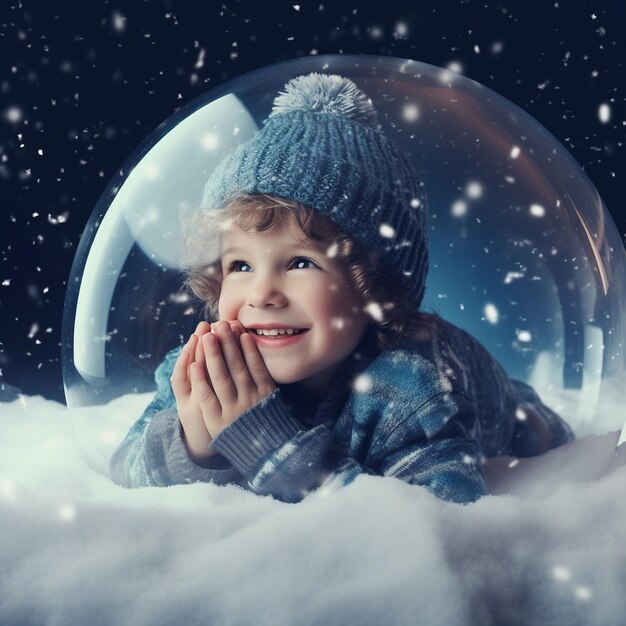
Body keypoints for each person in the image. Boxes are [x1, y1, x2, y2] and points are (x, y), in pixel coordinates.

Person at [110, 73, 574, 503]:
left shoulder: (410, 385)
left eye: (300, 262)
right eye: (241, 265)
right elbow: (125, 465)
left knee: (533, 428)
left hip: (486, 396)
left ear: (375, 290)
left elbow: (443, 512)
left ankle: (528, 408)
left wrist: (274, 451)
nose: (261, 294)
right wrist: (194, 443)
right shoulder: (213, 367)